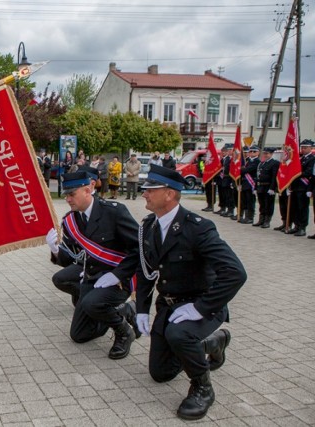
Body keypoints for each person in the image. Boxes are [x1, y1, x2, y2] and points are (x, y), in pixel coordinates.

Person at [134, 165, 246, 420]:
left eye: (151, 189)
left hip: (203, 304)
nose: (144, 194)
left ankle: (202, 388)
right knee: (160, 373)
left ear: (170, 194)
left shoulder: (198, 228)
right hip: (170, 304)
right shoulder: (149, 226)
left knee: (179, 334)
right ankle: (210, 343)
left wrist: (200, 308)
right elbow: (144, 270)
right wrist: (141, 308)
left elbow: (235, 273)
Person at [46, 166, 140, 359]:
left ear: (87, 191)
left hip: (117, 280)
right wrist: (55, 249)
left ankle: (124, 333)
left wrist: (117, 274)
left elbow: (139, 249)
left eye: (71, 194)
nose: (67, 199)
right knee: (79, 335)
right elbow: (70, 259)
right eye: (66, 195)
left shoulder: (114, 212)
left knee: (91, 303)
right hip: (91, 278)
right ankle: (120, 311)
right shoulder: (71, 220)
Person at [286, 140, 315, 237]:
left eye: (305, 147)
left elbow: (308, 172)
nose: (303, 149)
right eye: (302, 147)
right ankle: (296, 226)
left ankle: (303, 227)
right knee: (295, 207)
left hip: (303, 186)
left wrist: (295, 174)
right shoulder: (300, 158)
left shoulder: (312, 159)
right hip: (296, 186)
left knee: (302, 208)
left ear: (311, 148)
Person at [253, 147, 279, 228]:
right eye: (264, 153)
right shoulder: (261, 163)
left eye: (267, 153)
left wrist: (272, 188)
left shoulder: (274, 163)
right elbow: (258, 176)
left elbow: (274, 177)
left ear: (271, 154)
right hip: (261, 186)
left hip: (268, 187)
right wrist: (255, 187)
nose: (265, 155)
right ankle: (261, 220)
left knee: (269, 204)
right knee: (262, 204)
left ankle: (267, 221)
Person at [238, 145, 260, 224]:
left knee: (250, 201)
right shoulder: (248, 161)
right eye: (250, 151)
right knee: (245, 201)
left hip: (251, 184)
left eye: (254, 151)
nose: (252, 153)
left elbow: (248, 170)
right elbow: (243, 171)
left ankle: (250, 217)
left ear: (258, 152)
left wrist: (242, 169)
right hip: (245, 183)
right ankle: (246, 216)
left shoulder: (257, 161)